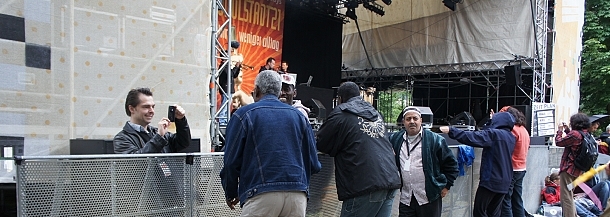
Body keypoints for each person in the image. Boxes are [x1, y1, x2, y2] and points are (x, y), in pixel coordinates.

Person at [220, 71, 321, 217]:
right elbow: (314, 164)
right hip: (297, 196)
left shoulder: (243, 115)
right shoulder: (300, 117)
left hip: (260, 194)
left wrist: (231, 193)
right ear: (279, 92)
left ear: (257, 91)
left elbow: (230, 163)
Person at [316, 82, 401, 217]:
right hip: (390, 180)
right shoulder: (376, 114)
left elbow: (321, 143)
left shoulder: (341, 113)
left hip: (364, 185)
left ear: (340, 98)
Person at [440, 111, 516, 217]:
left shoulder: (495, 135)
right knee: (493, 212)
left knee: (479, 211)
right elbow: (484, 133)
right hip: (505, 180)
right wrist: (491, 121)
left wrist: (452, 130)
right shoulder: (510, 137)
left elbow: (473, 137)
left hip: (491, 180)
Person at [388, 106, 459, 217]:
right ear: (403, 122)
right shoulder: (395, 139)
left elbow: (452, 165)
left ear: (421, 120)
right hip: (406, 198)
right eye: (408, 119)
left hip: (429, 197)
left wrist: (447, 186)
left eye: (415, 118)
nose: (412, 122)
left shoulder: (435, 140)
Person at [114, 88, 191, 154]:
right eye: (146, 107)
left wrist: (181, 120)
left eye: (153, 107)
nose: (152, 111)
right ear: (131, 109)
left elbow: (183, 142)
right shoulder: (122, 139)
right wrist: (159, 137)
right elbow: (137, 163)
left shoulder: (157, 133)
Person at [555, 113, 591, 217]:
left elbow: (559, 142)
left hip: (568, 170)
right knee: (570, 195)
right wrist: (567, 130)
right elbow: (573, 141)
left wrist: (560, 130)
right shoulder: (585, 134)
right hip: (578, 171)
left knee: (566, 197)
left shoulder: (575, 134)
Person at [500, 106, 531, 217]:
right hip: (521, 169)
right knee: (517, 199)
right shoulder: (523, 130)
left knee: (506, 200)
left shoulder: (512, 129)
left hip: (512, 169)